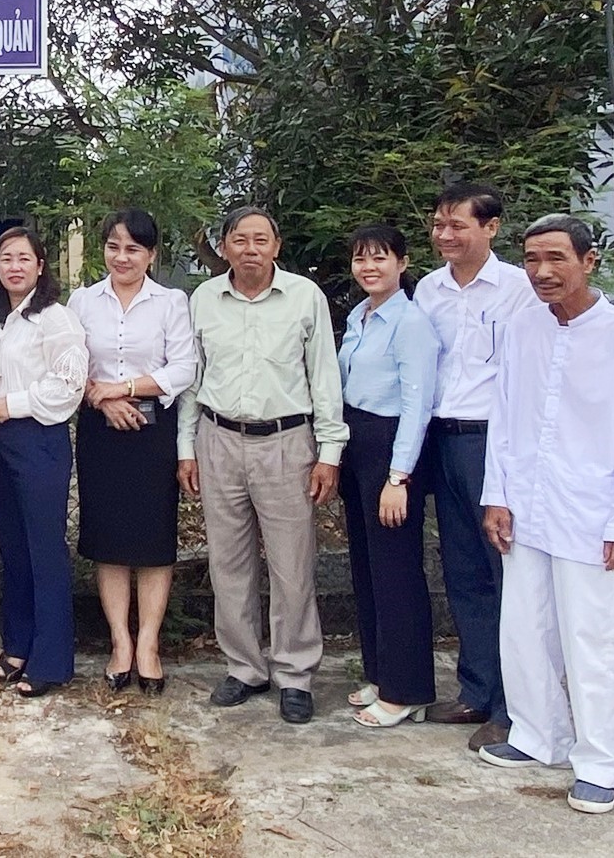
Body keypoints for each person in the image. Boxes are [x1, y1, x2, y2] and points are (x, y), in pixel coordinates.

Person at [477, 214, 614, 815]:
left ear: (590, 261)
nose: (542, 272)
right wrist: (496, 494)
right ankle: (538, 736)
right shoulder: (521, 327)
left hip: (594, 513)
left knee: (593, 638)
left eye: (556, 258)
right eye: (532, 259)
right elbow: (502, 417)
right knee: (525, 626)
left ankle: (600, 762)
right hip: (527, 504)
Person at [178, 206, 339, 722]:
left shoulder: (304, 298)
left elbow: (324, 378)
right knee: (228, 562)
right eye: (239, 239)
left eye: (260, 239)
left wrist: (329, 452)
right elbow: (191, 379)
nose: (250, 248)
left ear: (277, 245)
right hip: (219, 437)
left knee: (293, 565)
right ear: (223, 246)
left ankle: (294, 673)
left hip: (286, 442)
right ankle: (244, 667)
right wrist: (187, 447)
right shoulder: (203, 299)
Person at [412, 181, 537, 749]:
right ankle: (475, 690)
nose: (444, 235)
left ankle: (515, 706)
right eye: (439, 225)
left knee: (505, 570)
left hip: (495, 439)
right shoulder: (429, 291)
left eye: (457, 225)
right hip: (442, 436)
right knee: (462, 569)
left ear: (490, 227)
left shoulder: (518, 289)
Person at [71, 209, 198, 698]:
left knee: (152, 540)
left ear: (151, 254)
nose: (121, 257)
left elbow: (183, 367)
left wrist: (120, 389)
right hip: (101, 431)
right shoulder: (83, 301)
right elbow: (67, 364)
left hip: (152, 429)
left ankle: (149, 645)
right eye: (113, 246)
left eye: (133, 248)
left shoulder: (171, 302)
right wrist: (100, 401)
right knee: (109, 540)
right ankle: (120, 643)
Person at [335, 224, 438, 727]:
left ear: (402, 262)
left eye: (379, 258)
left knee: (396, 568)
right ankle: (379, 672)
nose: (369, 267)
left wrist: (398, 477)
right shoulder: (360, 316)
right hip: (357, 439)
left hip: (391, 447)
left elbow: (418, 403)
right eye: (360, 259)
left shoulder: (411, 322)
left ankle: (408, 688)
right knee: (368, 565)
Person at [0, 227, 86, 698]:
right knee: (13, 547)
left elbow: (70, 383)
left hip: (38, 438)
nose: (15, 266)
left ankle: (52, 659)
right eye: (7, 258)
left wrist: (14, 404)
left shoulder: (54, 319)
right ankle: (18, 645)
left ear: (41, 267)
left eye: (25, 258)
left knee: (44, 548)